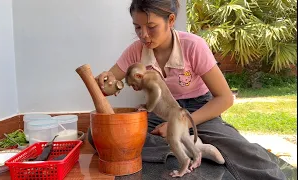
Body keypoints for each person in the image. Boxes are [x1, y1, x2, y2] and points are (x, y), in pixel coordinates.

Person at [92, 0, 286, 179]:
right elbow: (111, 86)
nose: (143, 35)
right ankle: (191, 146)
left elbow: (225, 98)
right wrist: (103, 80)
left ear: (171, 20)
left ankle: (185, 142)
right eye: (137, 27)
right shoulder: (135, 51)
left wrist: (181, 124)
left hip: (199, 109)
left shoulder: (193, 46)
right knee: (101, 139)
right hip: (160, 112)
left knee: (242, 150)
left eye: (151, 27)